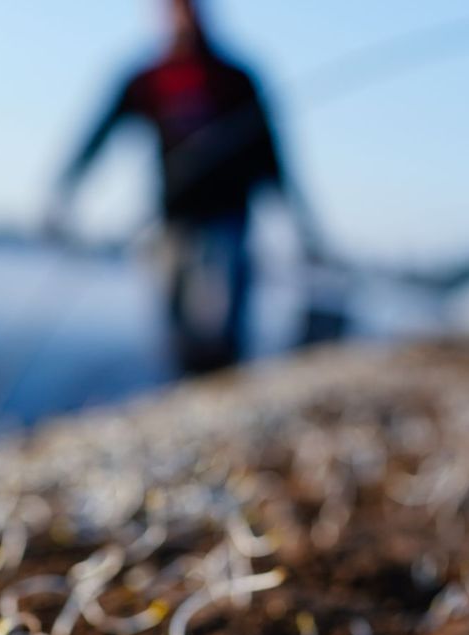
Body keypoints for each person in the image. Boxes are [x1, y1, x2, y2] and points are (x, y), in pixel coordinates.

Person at [48, 0, 330, 373]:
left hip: (228, 218)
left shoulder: (236, 79)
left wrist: (300, 223)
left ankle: (227, 386)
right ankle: (184, 390)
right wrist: (68, 184)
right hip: (172, 218)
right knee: (176, 329)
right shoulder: (149, 78)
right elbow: (101, 132)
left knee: (224, 322)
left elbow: (272, 157)